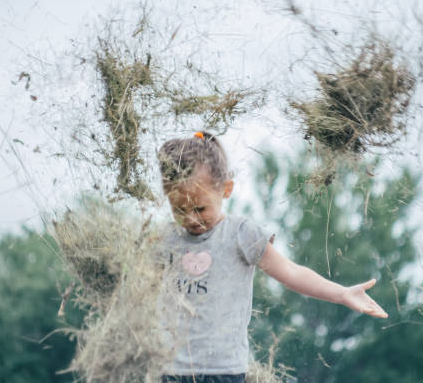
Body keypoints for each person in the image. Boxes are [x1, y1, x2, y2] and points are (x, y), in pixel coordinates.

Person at [157, 131, 388, 383]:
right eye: (179, 209)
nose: (191, 218)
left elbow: (291, 273)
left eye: (200, 208)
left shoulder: (240, 233)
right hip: (170, 370)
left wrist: (341, 293)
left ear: (226, 190)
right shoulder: (165, 239)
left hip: (222, 372)